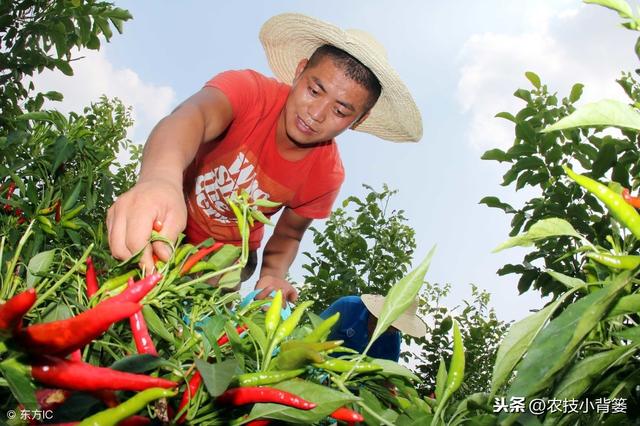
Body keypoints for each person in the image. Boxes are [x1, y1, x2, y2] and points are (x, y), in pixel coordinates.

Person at [106, 13, 422, 303]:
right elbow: (191, 118)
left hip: (228, 262)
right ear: (300, 73)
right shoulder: (250, 91)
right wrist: (159, 180)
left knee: (189, 330)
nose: (316, 113)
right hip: (170, 222)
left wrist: (272, 276)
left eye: (340, 111)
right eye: (314, 91)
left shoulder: (326, 175)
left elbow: (289, 234)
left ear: (358, 121)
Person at [320, 294, 426, 362]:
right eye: (394, 324)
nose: (395, 330)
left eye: (399, 327)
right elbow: (312, 334)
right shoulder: (348, 306)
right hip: (316, 367)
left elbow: (387, 377)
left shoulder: (393, 339)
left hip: (353, 389)